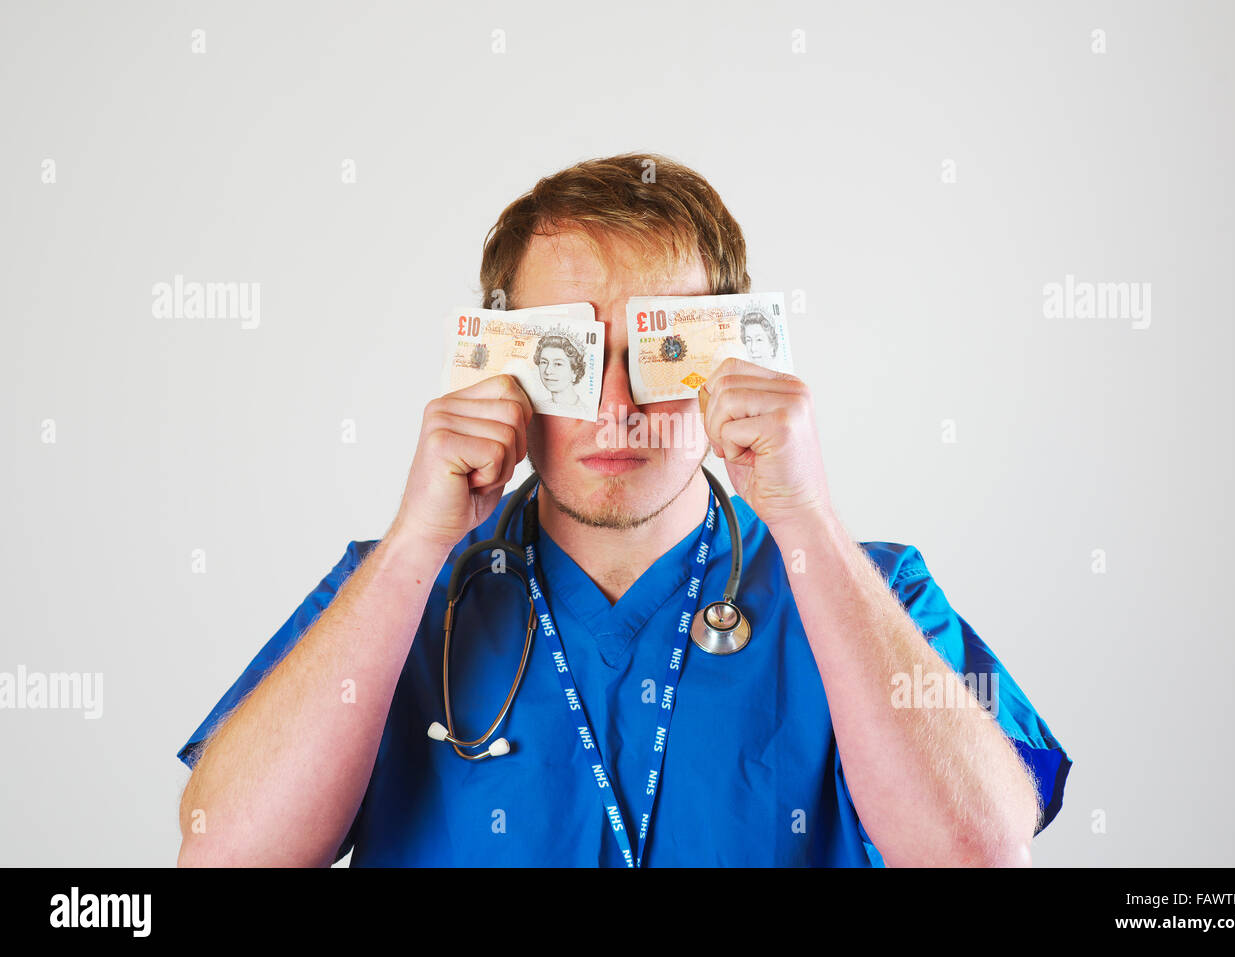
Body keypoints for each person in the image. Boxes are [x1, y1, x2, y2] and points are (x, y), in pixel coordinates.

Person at [175, 152, 1071, 867]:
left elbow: (982, 852)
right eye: (567, 354)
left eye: (661, 347)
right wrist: (418, 539)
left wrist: (806, 521)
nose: (615, 405)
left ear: (736, 355)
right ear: (503, 367)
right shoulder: (399, 594)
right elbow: (222, 854)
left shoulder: (870, 590)